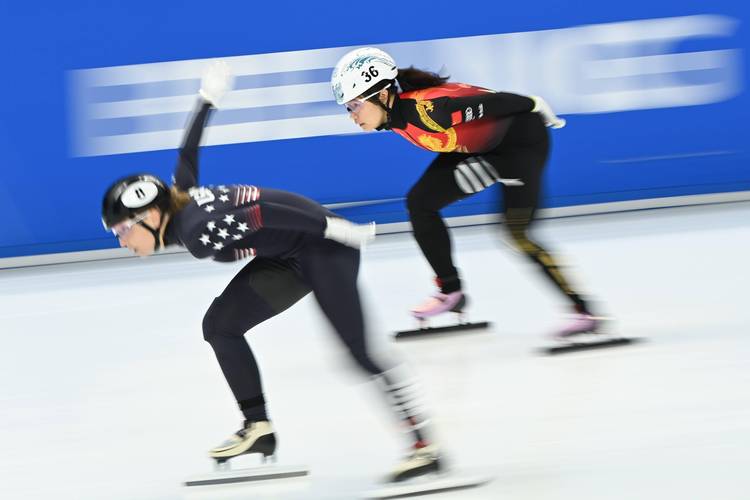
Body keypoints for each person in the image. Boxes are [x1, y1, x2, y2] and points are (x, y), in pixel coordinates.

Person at [101, 62, 438, 482]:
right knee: (220, 324)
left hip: (323, 248)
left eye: (123, 229)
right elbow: (187, 156)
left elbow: (260, 212)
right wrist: (207, 100)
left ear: (152, 215)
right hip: (291, 251)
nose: (121, 239)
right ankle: (257, 427)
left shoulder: (198, 230)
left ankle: (425, 444)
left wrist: (335, 228)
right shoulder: (180, 200)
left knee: (358, 353)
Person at [331, 47, 601, 339]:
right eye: (348, 108)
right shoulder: (394, 115)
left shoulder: (429, 112)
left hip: (520, 146)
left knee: (517, 234)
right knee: (420, 202)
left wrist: (533, 103)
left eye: (355, 105)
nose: (352, 116)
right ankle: (451, 292)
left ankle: (583, 310)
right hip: (483, 149)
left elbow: (495, 102)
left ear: (382, 94)